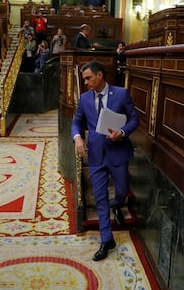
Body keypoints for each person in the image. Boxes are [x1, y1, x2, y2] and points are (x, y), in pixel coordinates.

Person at [71, 60, 139, 261]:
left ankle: (117, 205)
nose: (85, 82)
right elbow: (76, 122)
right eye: (84, 79)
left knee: (121, 190)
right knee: (100, 197)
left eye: (88, 78)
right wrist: (77, 138)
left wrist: (123, 132)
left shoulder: (121, 94)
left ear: (100, 75)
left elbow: (134, 119)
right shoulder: (84, 99)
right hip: (96, 156)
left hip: (118, 152)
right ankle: (106, 239)